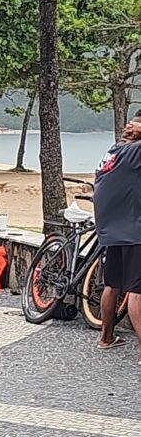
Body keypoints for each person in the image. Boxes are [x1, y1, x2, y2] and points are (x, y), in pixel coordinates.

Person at [94, 114, 141, 362]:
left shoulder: (113, 151)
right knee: (136, 290)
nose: (129, 125)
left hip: (110, 229)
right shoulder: (135, 152)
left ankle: (106, 337)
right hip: (134, 230)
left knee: (113, 284)